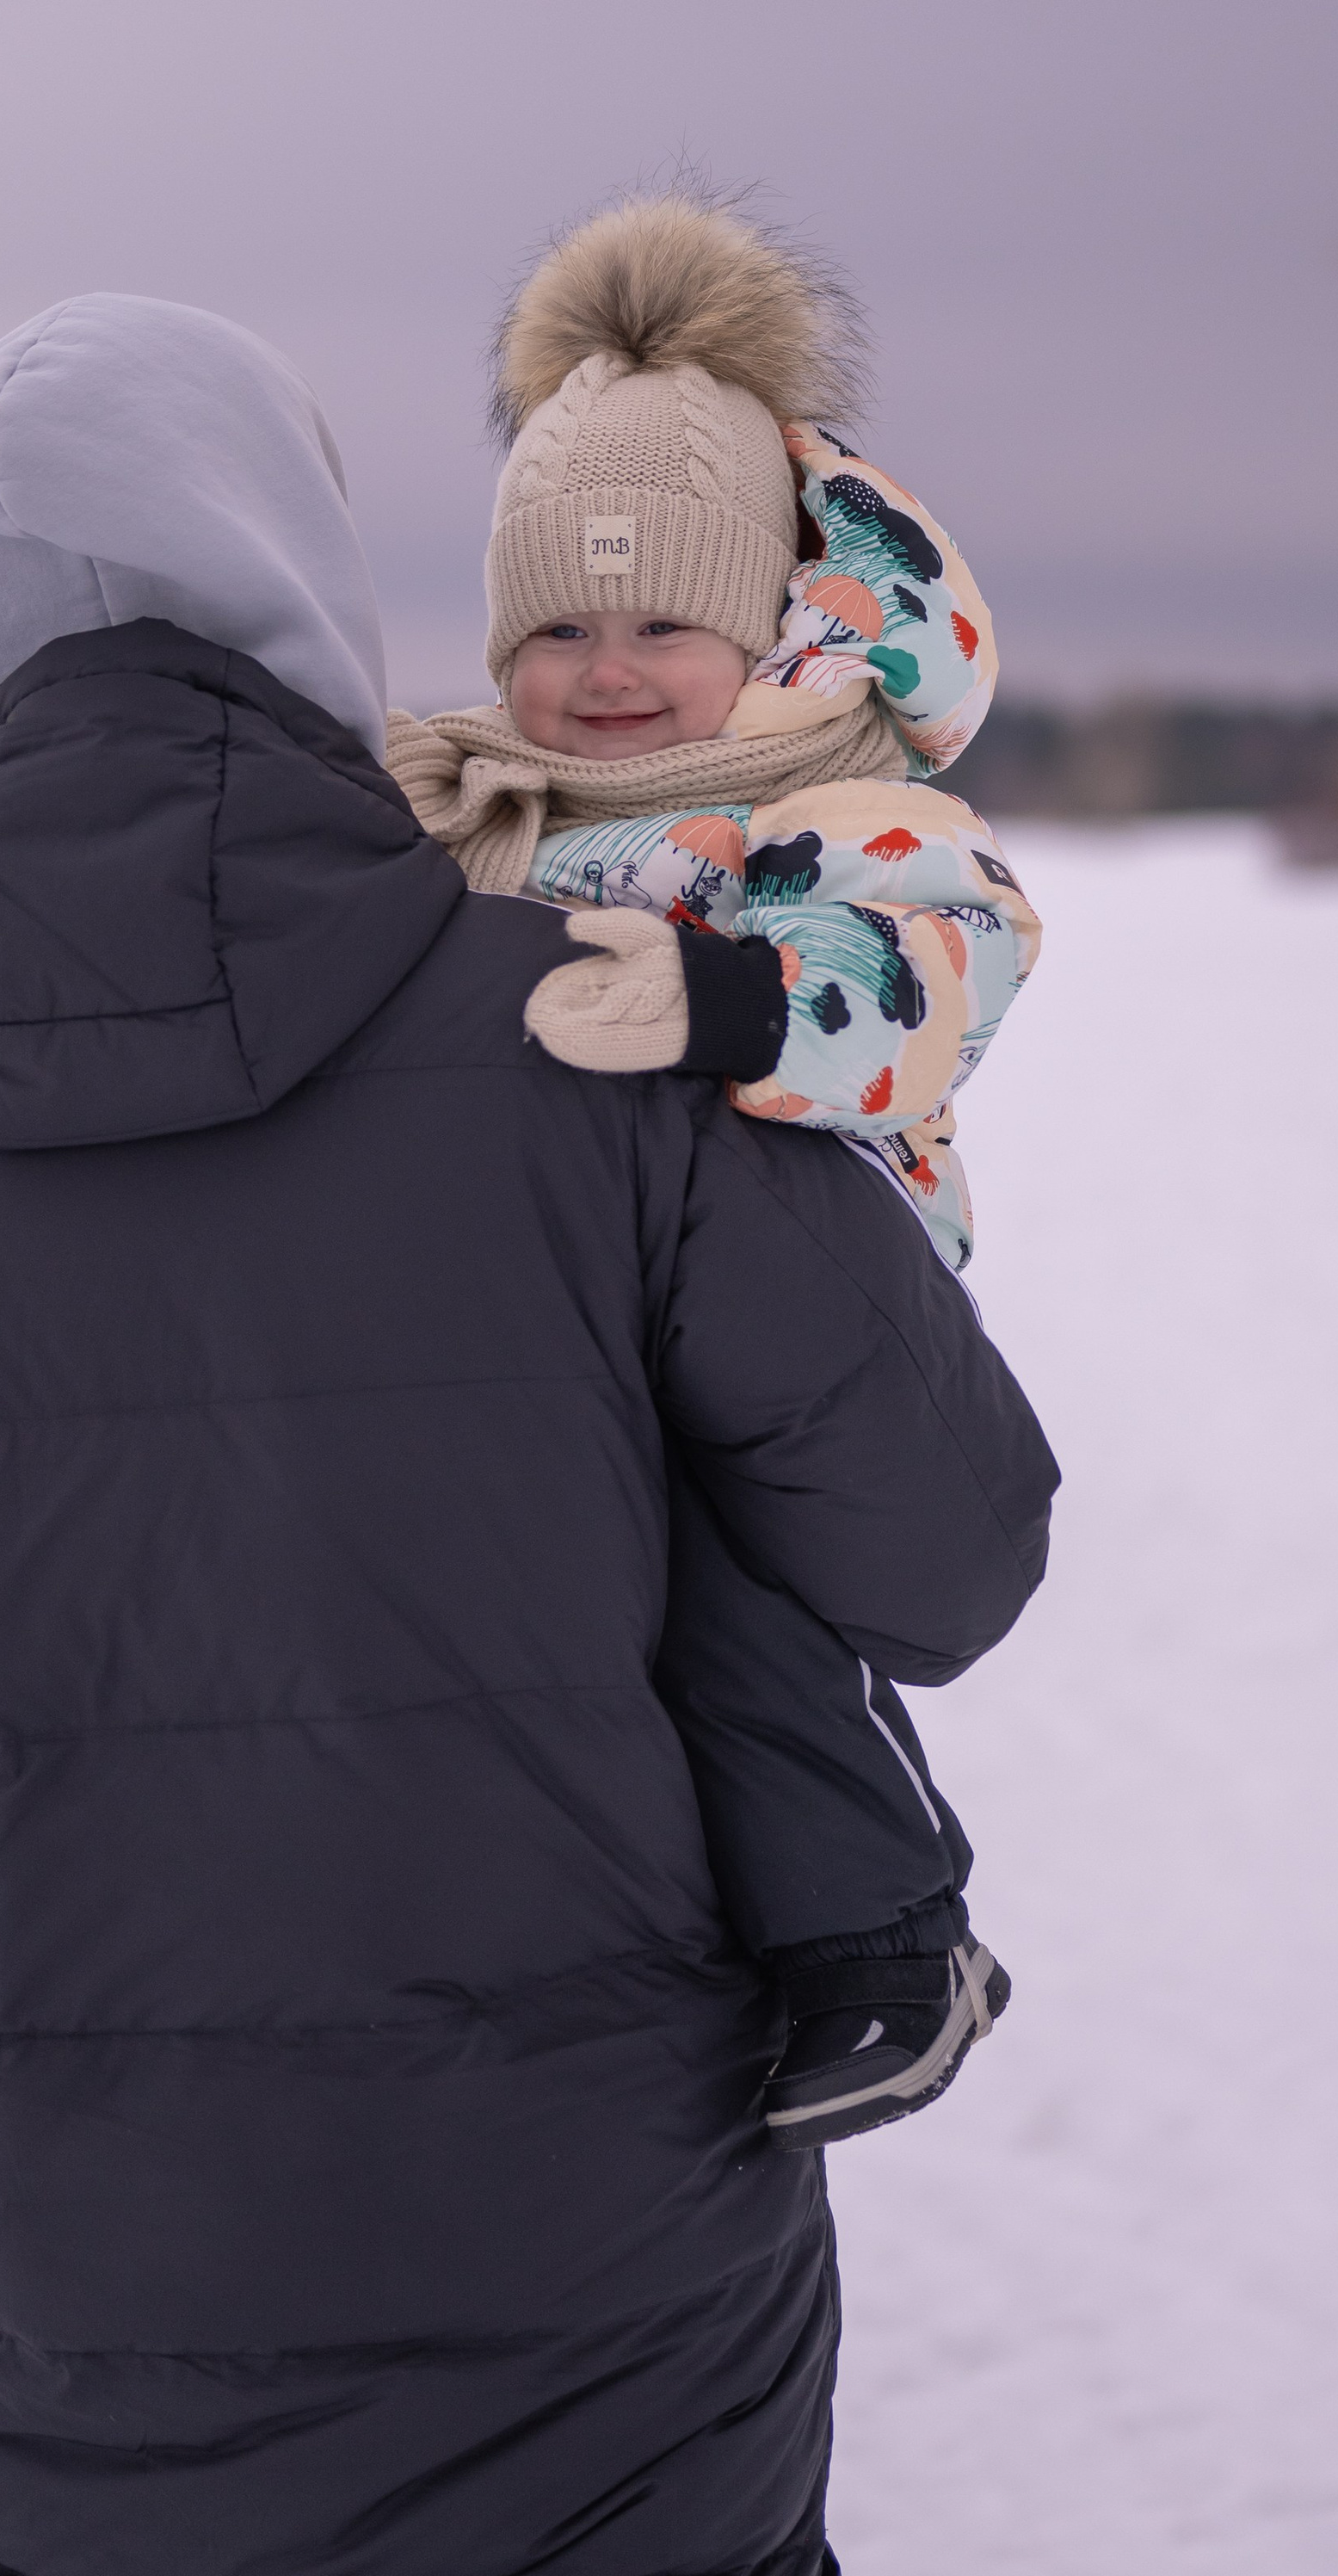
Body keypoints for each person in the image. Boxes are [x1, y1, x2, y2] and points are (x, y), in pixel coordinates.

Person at [0, 289, 1059, 2576]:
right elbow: (950, 1546)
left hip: (53, 2323)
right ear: (298, 576)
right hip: (597, 2329)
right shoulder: (588, 1037)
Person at [386, 197, 1049, 2150]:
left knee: (726, 1602)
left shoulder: (830, 806)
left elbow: (933, 974)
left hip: (804, 1305)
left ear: (759, 622)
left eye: (659, 622)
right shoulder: (471, 817)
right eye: (558, 632)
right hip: (559, 1316)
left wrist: (727, 997)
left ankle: (883, 1936)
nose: (606, 677)